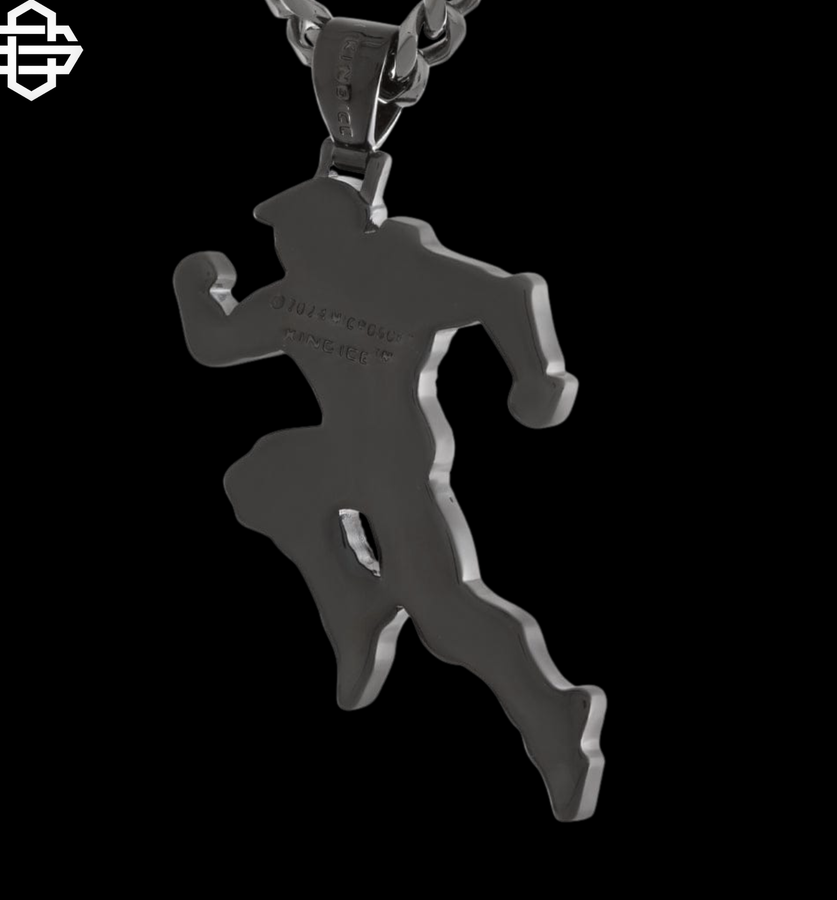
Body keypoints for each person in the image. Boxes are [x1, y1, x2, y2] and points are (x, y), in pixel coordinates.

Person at [173, 174, 605, 821]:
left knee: (440, 604)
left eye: (288, 232)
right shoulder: (296, 298)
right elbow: (218, 343)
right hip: (340, 449)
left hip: (398, 461)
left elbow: (508, 292)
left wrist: (538, 377)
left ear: (329, 231)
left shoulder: (405, 271)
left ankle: (552, 713)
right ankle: (354, 599)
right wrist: (195, 286)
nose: (282, 246)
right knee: (259, 481)